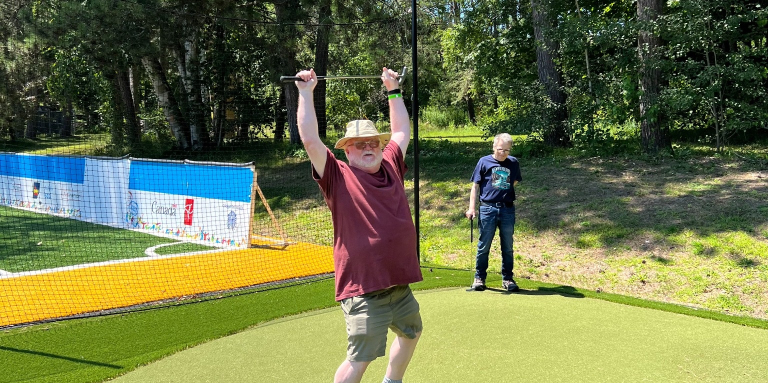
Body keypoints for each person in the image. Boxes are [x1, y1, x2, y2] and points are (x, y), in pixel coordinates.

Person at [294, 67, 423, 383]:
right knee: (359, 359)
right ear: (346, 150)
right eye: (359, 143)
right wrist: (305, 94)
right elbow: (311, 140)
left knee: (412, 332)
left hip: (398, 283)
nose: (369, 148)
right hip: (363, 289)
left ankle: (392, 381)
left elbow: (401, 132)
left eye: (373, 143)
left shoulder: (391, 163)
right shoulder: (337, 176)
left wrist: (393, 90)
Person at [465, 133, 522, 292]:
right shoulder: (484, 162)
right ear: (493, 147)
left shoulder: (513, 163)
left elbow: (515, 180)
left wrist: (504, 191)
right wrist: (472, 208)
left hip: (507, 209)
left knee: (508, 246)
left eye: (506, 150)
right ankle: (479, 278)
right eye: (500, 150)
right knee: (484, 245)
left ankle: (508, 279)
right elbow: (475, 186)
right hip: (487, 208)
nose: (503, 153)